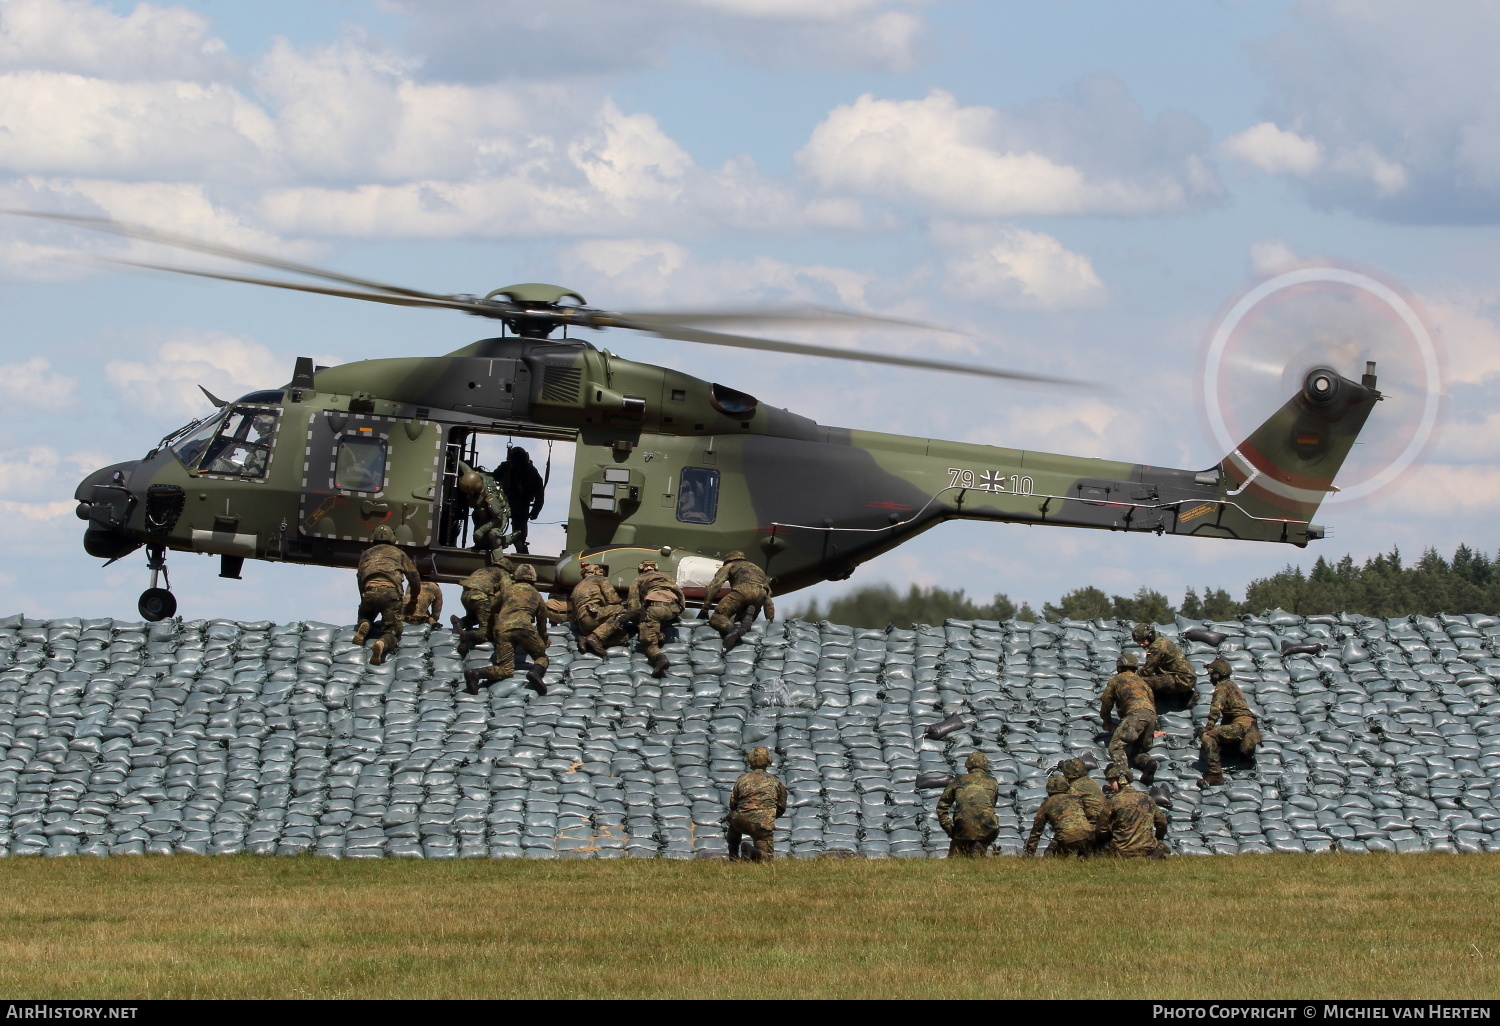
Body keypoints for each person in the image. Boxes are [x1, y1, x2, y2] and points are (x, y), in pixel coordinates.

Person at [463, 564, 548, 696]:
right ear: (534, 579)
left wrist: (493, 627)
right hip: (524, 629)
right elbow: (542, 622)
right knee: (542, 657)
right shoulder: (537, 595)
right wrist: (544, 640)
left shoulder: (507, 590)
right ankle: (534, 673)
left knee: (505, 670)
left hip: (502, 631)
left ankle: (476, 674)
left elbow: (492, 606)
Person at [352, 524, 420, 666]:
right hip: (392, 595)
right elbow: (414, 577)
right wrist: (413, 599)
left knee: (365, 615)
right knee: (393, 631)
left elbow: (360, 578)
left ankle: (365, 623)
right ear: (392, 538)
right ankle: (382, 643)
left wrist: (364, 598)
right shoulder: (399, 553)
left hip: (370, 592)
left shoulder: (366, 554)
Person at [1198, 657, 1262, 787]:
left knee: (1208, 737)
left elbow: (1216, 707)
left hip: (1241, 726)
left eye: (1211, 674)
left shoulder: (1222, 688)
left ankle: (1215, 775)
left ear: (1218, 674)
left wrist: (1209, 726)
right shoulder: (1233, 685)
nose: (1210, 678)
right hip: (1248, 725)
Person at [1100, 652, 1159, 785]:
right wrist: (1156, 728)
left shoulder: (1116, 680)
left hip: (1136, 715)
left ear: (1119, 667)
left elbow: (1106, 704)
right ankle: (1148, 763)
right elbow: (1152, 703)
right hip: (1151, 716)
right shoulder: (1142, 682)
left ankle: (1122, 779)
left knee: (1116, 746)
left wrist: (1108, 722)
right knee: (1137, 752)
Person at [700, 551, 775, 652]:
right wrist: (770, 622)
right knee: (740, 623)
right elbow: (768, 600)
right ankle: (746, 615)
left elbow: (715, 585)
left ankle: (731, 630)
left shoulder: (730, 565)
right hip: (761, 595)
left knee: (718, 617)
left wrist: (705, 608)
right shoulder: (758, 569)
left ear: (728, 560)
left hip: (742, 591)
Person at [623, 559, 685, 677]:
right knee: (659, 623)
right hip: (673, 608)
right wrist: (678, 612)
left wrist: (639, 623)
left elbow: (633, 605)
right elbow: (680, 595)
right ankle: (660, 635)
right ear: (655, 568)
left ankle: (660, 658)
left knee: (648, 641)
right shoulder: (666, 577)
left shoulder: (639, 579)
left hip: (655, 608)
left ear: (641, 570)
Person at [727, 746, 787, 861]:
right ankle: (753, 851)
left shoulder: (742, 779)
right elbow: (781, 807)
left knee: (733, 817)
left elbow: (733, 804)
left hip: (742, 822)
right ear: (768, 760)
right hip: (763, 827)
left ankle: (733, 856)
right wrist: (768, 816)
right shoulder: (776, 782)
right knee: (766, 860)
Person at [935, 752, 1000, 858]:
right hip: (988, 828)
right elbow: (992, 804)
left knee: (954, 861)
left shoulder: (958, 780)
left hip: (963, 828)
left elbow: (942, 807)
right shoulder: (993, 782)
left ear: (968, 766)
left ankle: (969, 849)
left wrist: (949, 829)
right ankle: (978, 848)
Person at [1098, 765, 1169, 858]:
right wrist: (1158, 839)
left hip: (1121, 851)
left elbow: (1101, 829)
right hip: (1147, 850)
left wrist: (1109, 839)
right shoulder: (1148, 799)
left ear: (1121, 780)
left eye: (1111, 781)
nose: (1109, 785)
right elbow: (1162, 823)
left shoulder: (1113, 801)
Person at [451, 554, 514, 656]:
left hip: (466, 596)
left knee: (475, 617)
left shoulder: (482, 570)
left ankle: (460, 622)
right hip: (480, 597)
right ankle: (467, 636)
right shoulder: (503, 573)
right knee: (487, 632)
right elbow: (507, 592)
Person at [1024, 775, 1095, 857]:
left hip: (1066, 839)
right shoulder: (1076, 798)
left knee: (1050, 854)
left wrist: (1030, 853)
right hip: (1088, 836)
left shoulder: (1047, 804)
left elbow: (1036, 831)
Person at [495, 447, 545, 555]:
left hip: (510, 504)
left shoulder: (508, 467)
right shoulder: (530, 471)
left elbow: (492, 478)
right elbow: (540, 494)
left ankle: (517, 546)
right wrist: (535, 510)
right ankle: (520, 548)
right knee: (519, 531)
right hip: (517, 505)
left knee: (503, 527)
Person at [1132, 623, 1198, 703]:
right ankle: (1183, 696)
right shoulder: (1162, 641)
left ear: (1150, 636)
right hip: (1185, 678)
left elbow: (1146, 671)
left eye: (1142, 641)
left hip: (1181, 680)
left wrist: (1131, 676)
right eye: (1139, 642)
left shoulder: (1157, 647)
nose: (1141, 644)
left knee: (1142, 681)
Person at [570, 563, 626, 657]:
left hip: (583, 626)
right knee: (621, 610)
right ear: (595, 572)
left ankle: (587, 639)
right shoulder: (599, 579)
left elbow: (573, 616)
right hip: (593, 615)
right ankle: (595, 639)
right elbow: (614, 599)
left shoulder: (576, 588)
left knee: (623, 636)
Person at [458, 461, 512, 557]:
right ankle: (480, 545)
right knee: (480, 540)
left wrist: (482, 530)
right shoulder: (473, 477)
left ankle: (499, 560)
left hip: (499, 516)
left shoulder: (490, 496)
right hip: (486, 514)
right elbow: (464, 467)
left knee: (493, 536)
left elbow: (498, 517)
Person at [1059, 756, 1105, 830]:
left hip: (1094, 822)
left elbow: (1069, 805)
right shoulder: (1090, 780)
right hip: (1104, 817)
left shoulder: (1074, 786)